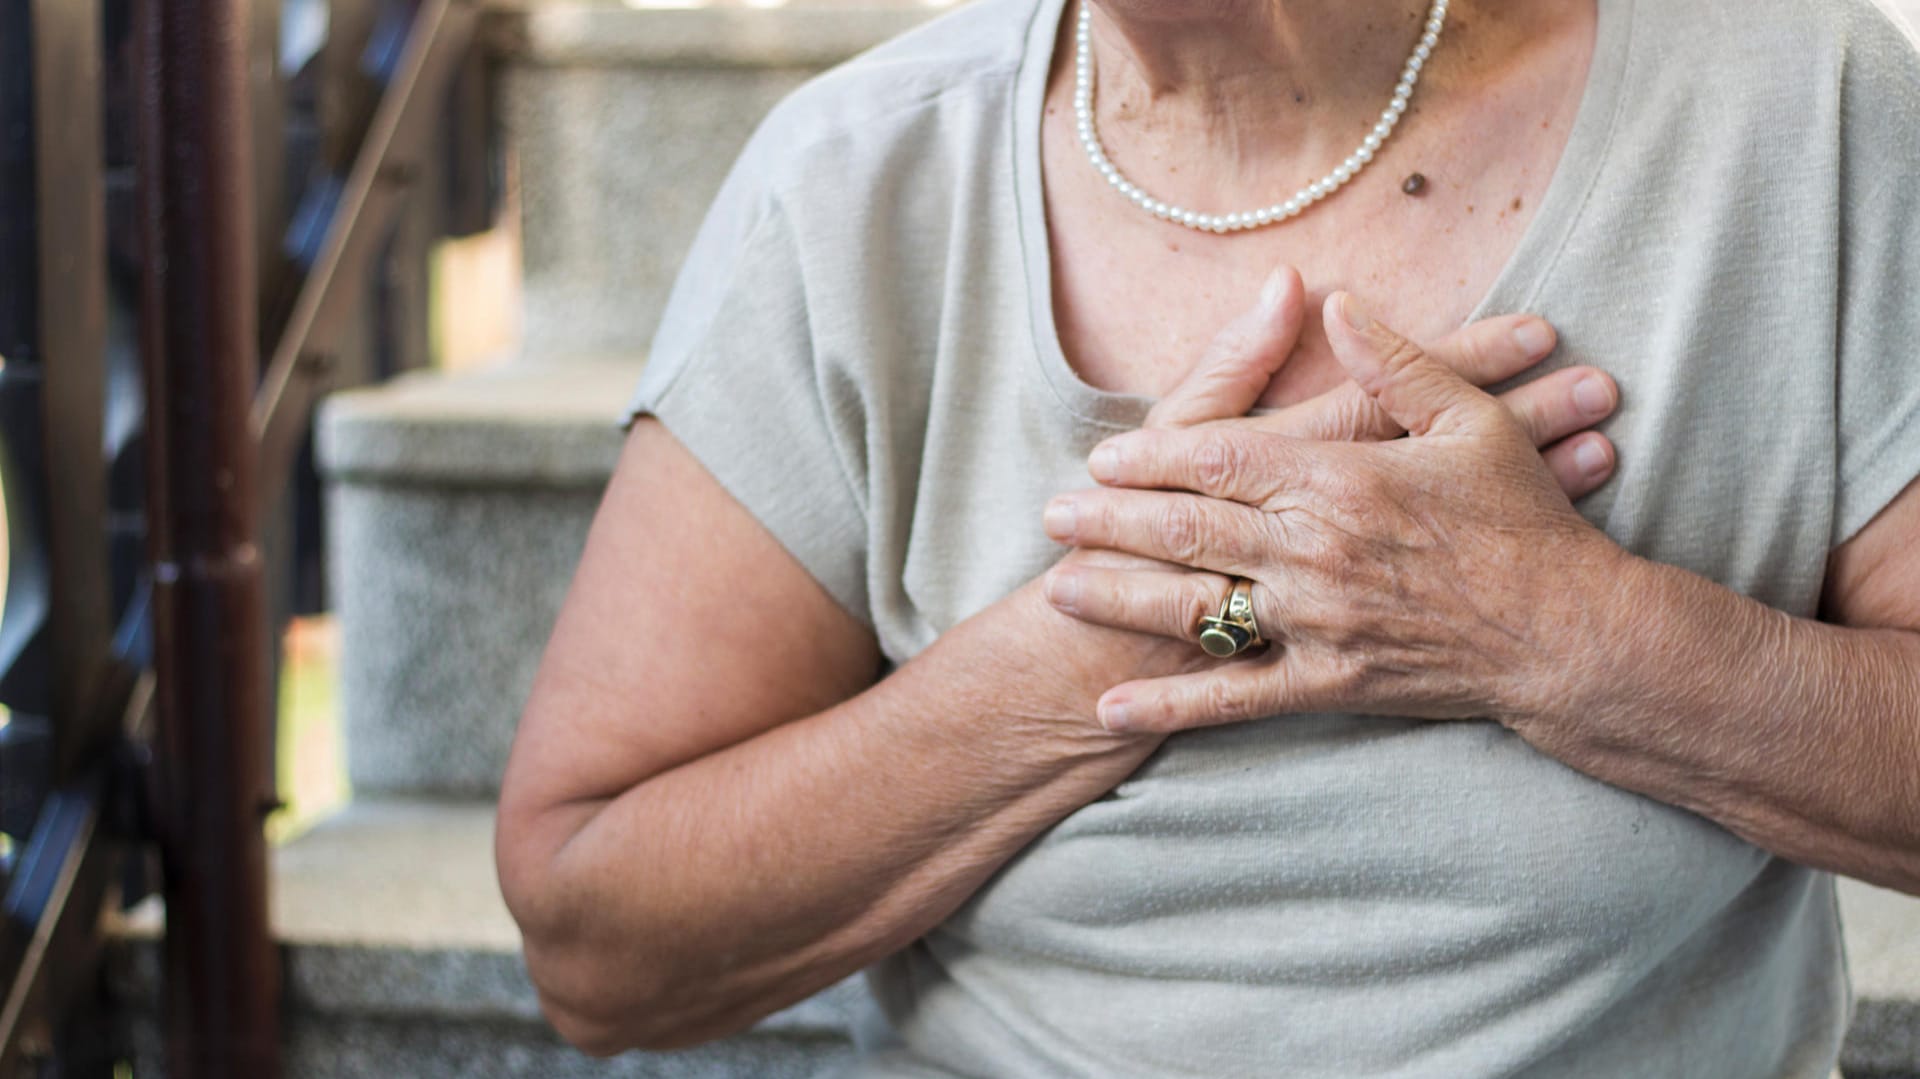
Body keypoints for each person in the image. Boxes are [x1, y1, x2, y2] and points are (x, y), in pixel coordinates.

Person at [494, 0, 1920, 1074]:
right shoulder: (857, 184)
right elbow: (597, 939)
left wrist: (1553, 632)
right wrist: (1114, 630)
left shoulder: (1794, 103)